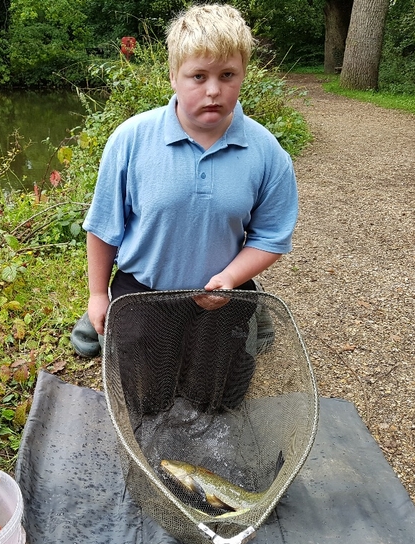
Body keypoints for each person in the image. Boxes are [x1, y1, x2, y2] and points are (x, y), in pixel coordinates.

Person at [70, 3, 298, 370]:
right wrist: (98, 295)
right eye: (198, 76)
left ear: (243, 74)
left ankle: (250, 317)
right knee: (146, 389)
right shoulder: (130, 140)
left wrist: (231, 279)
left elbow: (270, 238)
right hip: (142, 291)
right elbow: (103, 228)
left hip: (222, 295)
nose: (213, 91)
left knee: (217, 393)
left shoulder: (267, 151)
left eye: (227, 75)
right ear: (174, 76)